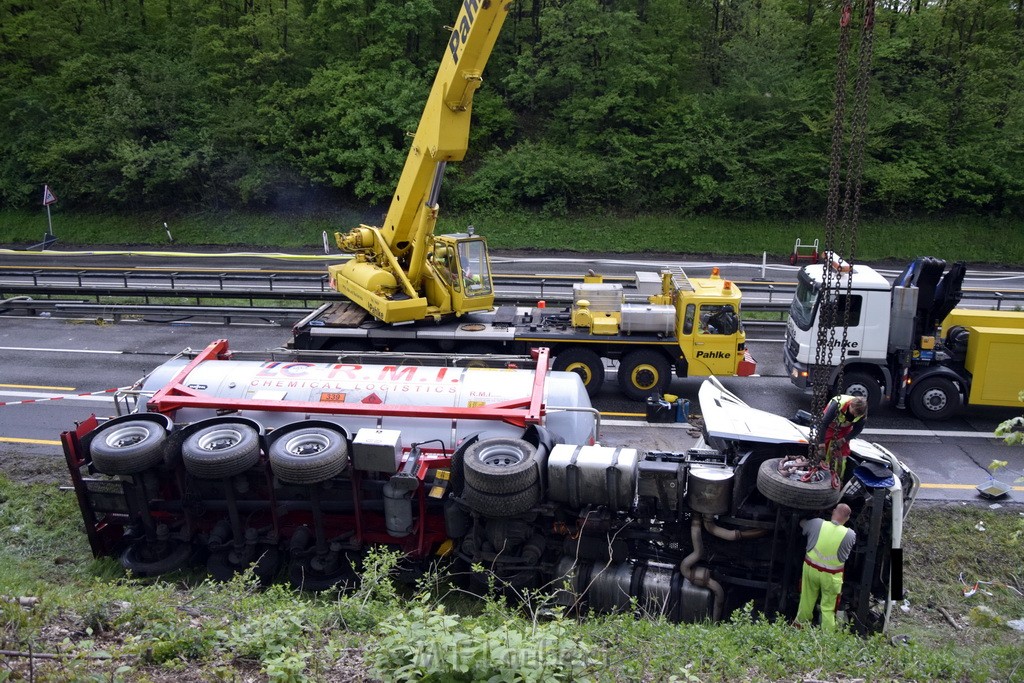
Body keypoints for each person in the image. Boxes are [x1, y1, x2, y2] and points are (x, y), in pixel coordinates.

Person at [795, 503, 857, 631]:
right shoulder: (850, 535)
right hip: (831, 577)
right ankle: (827, 639)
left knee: (806, 601)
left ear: (833, 511)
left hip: (811, 570)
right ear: (847, 518)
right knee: (828, 608)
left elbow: (802, 524)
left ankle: (799, 628)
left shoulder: (817, 523)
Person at [817, 394, 867, 479]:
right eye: (854, 412)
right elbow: (824, 424)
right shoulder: (837, 405)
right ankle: (821, 475)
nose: (854, 416)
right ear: (850, 405)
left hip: (844, 429)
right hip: (829, 426)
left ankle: (838, 478)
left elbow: (857, 430)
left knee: (843, 454)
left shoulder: (862, 414)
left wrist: (844, 440)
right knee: (823, 451)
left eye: (857, 415)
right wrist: (821, 445)